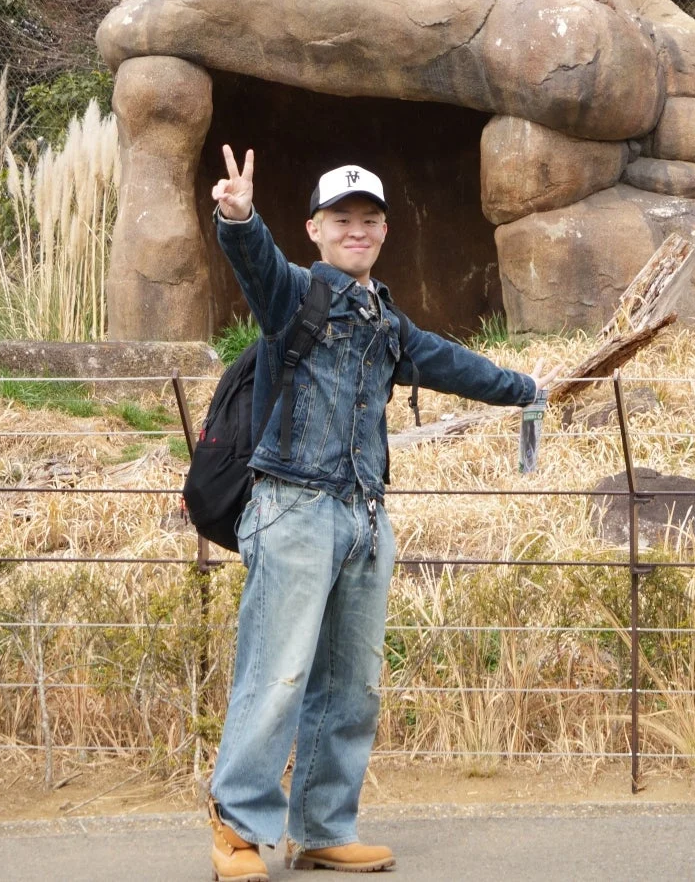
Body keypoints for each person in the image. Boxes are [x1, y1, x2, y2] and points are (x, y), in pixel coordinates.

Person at [204, 147, 552, 879]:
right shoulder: (293, 294)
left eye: (369, 219)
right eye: (341, 219)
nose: (356, 230)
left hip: (364, 517)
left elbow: (453, 364)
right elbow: (256, 263)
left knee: (350, 685)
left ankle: (323, 828)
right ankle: (237, 828)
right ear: (315, 229)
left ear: (385, 231)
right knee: (276, 674)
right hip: (292, 508)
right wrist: (238, 217)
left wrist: (524, 387)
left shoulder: (386, 322)